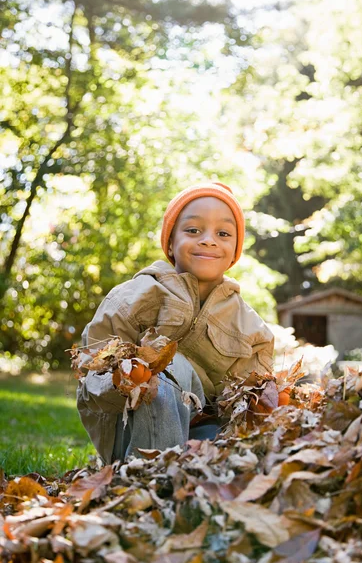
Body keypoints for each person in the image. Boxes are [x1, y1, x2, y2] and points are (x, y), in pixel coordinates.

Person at [77, 182, 274, 463]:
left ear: (235, 251)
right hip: (134, 435)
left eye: (223, 233)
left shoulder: (249, 326)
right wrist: (126, 380)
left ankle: (208, 484)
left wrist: (260, 399)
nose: (209, 240)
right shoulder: (132, 298)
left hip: (204, 436)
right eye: (193, 230)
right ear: (170, 242)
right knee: (169, 362)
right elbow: (91, 378)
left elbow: (247, 402)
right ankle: (153, 476)